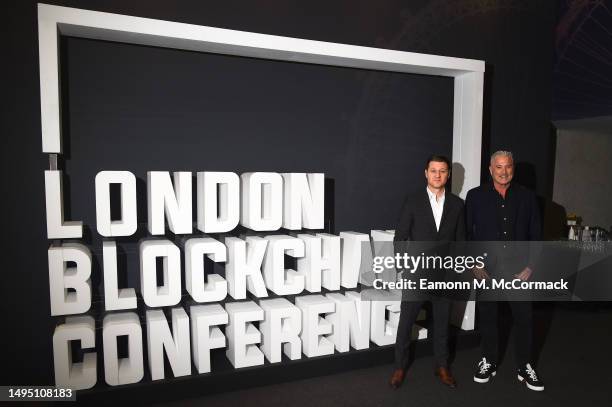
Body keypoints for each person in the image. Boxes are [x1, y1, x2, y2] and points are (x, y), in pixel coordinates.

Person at [466, 150, 544, 391]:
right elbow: (468, 234)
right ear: (490, 170)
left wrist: (531, 267)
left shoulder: (528, 197)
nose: (503, 171)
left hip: (519, 271)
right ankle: (488, 361)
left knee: (524, 320)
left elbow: (536, 235)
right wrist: (474, 263)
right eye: (498, 167)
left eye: (508, 166)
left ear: (513, 169)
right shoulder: (475, 196)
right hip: (486, 270)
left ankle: (525, 366)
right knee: (488, 318)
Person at [389, 155, 465, 389]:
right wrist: (403, 267)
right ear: (426, 173)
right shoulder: (412, 201)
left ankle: (442, 366)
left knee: (442, 324)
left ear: (448, 175)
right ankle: (400, 367)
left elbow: (461, 241)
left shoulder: (457, 204)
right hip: (417, 275)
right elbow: (400, 237)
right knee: (406, 323)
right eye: (434, 170)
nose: (438, 175)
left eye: (443, 171)